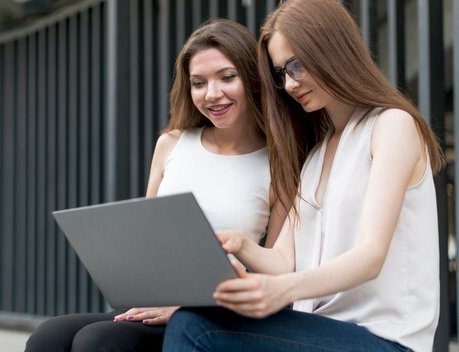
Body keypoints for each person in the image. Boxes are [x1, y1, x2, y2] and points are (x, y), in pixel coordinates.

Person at [162, 1, 444, 351]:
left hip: (386, 339)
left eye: (295, 66)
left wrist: (283, 289)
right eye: (281, 73)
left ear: (331, 49)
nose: (290, 84)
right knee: (192, 318)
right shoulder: (315, 158)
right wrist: (241, 244)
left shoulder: (391, 125)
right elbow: (283, 260)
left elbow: (371, 256)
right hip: (320, 331)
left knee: (196, 328)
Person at [24, 18, 285, 352]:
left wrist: (188, 305)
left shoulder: (276, 163)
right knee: (48, 335)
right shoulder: (172, 144)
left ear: (252, 77)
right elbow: (147, 243)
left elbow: (274, 269)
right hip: (155, 300)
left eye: (227, 77)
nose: (212, 94)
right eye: (198, 83)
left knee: (99, 341)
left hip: (221, 311)